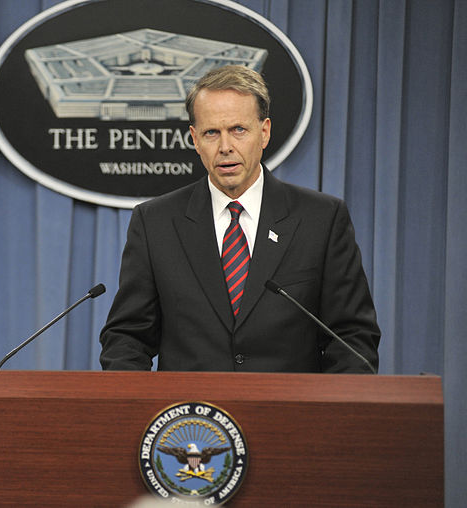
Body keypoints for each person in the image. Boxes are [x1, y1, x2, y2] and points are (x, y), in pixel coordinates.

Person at [100, 65, 380, 373]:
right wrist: (138, 410)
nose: (225, 147)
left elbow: (352, 338)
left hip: (289, 416)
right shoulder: (155, 223)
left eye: (238, 130)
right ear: (194, 139)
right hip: (192, 419)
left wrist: (327, 417)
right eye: (211, 133)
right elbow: (127, 339)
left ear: (265, 132)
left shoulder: (321, 220)